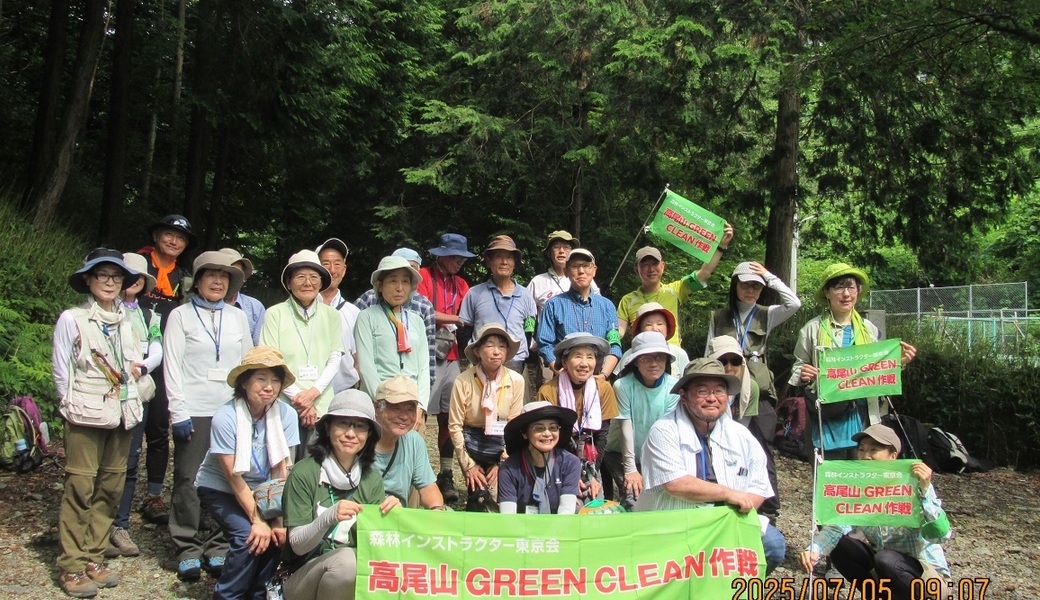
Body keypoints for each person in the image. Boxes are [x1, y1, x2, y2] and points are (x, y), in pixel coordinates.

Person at [52, 248, 145, 598]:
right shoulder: (72, 318)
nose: (109, 282)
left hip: (122, 415)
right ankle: (72, 565)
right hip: (85, 415)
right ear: (89, 280)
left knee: (110, 487)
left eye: (116, 276)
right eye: (102, 275)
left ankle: (94, 555)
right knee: (80, 487)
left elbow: (134, 364)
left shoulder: (127, 320)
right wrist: (69, 406)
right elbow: (62, 369)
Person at [636, 358, 785, 574]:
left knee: (773, 546)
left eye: (719, 391)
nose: (712, 398)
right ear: (684, 396)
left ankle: (733, 587)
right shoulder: (663, 430)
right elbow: (676, 484)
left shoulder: (742, 435)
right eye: (702, 391)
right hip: (674, 522)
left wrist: (741, 506)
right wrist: (729, 494)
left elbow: (759, 487)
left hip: (727, 520)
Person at [164, 251, 254, 581]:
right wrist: (178, 411)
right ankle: (186, 546)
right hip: (194, 408)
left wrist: (248, 407)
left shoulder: (237, 317)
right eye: (211, 275)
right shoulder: (180, 316)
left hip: (230, 410)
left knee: (229, 476)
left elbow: (247, 363)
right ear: (198, 280)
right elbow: (171, 365)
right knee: (188, 477)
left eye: (224, 276)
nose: (217, 281)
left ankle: (219, 544)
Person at [195, 346, 300, 599]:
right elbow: (234, 477)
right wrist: (258, 520)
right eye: (261, 379)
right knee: (248, 537)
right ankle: (228, 595)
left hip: (265, 488)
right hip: (222, 487)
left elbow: (280, 470)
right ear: (244, 382)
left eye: (275, 381)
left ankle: (258, 594)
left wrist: (276, 522)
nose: (269, 387)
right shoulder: (225, 417)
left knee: (276, 537)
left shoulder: (286, 415)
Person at [800, 424, 952, 598]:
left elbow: (940, 535)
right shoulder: (860, 489)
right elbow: (837, 526)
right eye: (862, 449)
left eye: (874, 450)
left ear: (893, 456)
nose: (866, 456)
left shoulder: (914, 483)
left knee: (886, 559)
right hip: (886, 570)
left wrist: (925, 490)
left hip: (928, 578)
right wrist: (814, 549)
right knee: (841, 546)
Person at [788, 263, 917, 459]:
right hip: (828, 416)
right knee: (831, 472)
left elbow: (878, 368)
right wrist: (804, 372)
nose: (846, 294)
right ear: (827, 292)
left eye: (851, 287)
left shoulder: (869, 329)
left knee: (863, 470)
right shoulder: (812, 329)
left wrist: (899, 362)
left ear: (858, 291)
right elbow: (798, 366)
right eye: (839, 287)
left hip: (864, 415)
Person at [282, 390, 401, 600]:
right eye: (343, 423)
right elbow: (298, 545)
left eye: (360, 426)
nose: (351, 434)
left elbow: (374, 545)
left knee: (353, 563)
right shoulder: (304, 472)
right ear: (328, 427)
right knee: (347, 562)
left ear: (369, 435)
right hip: (301, 576)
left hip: (352, 577)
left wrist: (392, 520)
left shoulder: (371, 479)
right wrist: (328, 517)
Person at [137, 214, 195, 525]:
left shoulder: (184, 279)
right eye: (168, 234)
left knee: (159, 428)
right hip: (131, 356)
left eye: (180, 238)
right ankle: (112, 496)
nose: (174, 241)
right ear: (156, 236)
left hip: (165, 361)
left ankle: (153, 495)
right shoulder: (137, 266)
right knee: (125, 428)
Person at [260, 250, 344, 459]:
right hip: (284, 403)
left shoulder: (332, 315)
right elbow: (271, 362)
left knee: (315, 467)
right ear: (289, 282)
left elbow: (335, 358)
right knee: (283, 465)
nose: (308, 283)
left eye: (314, 277)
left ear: (321, 282)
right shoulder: (274, 314)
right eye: (300, 277)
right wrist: (300, 400)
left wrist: (313, 394)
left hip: (322, 404)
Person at [108, 253, 164, 558]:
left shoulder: (148, 315)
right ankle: (93, 526)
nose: (133, 281)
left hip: (137, 393)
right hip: (104, 394)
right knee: (102, 461)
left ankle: (120, 524)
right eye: (128, 275)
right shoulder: (104, 309)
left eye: (139, 277)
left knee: (130, 460)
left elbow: (156, 348)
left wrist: (141, 367)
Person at [416, 233, 474, 503]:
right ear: (441, 255)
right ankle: (417, 475)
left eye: (463, 257)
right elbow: (423, 310)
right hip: (426, 353)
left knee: (450, 417)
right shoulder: (424, 277)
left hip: (451, 355)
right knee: (419, 415)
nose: (460, 261)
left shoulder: (461, 284)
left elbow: (469, 316)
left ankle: (446, 473)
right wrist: (456, 318)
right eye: (455, 257)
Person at [448, 323, 525, 511]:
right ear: (477, 351)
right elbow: (455, 425)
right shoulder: (463, 381)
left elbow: (515, 425)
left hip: (502, 444)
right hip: (471, 444)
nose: (496, 352)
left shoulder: (516, 380)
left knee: (502, 497)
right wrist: (468, 465)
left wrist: (503, 462)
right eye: (490, 345)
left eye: (502, 346)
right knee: (478, 498)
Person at [616, 226, 733, 343]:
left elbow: (705, 273)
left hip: (673, 353)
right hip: (643, 352)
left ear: (663, 266)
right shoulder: (627, 300)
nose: (651, 269)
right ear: (636, 270)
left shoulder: (676, 289)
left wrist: (721, 246)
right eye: (645, 265)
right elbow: (618, 332)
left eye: (655, 263)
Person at [707, 334, 780, 519]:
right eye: (722, 361)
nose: (729, 367)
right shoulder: (699, 389)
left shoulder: (751, 388)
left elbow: (742, 429)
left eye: (735, 361)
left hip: (734, 433)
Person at [537, 332, 619, 496]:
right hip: (556, 463)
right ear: (565, 362)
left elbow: (602, 436)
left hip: (590, 461)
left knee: (595, 502)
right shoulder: (548, 391)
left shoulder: (603, 389)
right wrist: (570, 474)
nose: (584, 363)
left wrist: (593, 474)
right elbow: (546, 441)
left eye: (590, 357)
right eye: (578, 356)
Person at [602, 331, 678, 507]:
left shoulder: (673, 387)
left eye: (659, 357)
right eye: (646, 358)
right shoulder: (623, 385)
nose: (654, 363)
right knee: (634, 496)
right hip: (620, 452)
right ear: (636, 361)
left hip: (655, 451)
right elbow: (626, 428)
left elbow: (665, 430)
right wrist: (630, 469)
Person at [706, 261, 801, 400]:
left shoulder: (768, 314)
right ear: (735, 286)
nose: (750, 291)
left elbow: (794, 303)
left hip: (756, 384)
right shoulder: (718, 316)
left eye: (756, 286)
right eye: (745, 285)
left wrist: (768, 277)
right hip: (724, 381)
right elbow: (708, 353)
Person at [525, 230, 600, 402]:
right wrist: (531, 339)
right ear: (549, 252)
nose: (561, 251)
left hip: (584, 355)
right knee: (550, 394)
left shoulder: (586, 278)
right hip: (551, 352)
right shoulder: (538, 281)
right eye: (556, 247)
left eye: (566, 247)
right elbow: (528, 314)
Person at [354, 255, 431, 421]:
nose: (400, 288)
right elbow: (366, 366)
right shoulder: (366, 317)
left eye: (405, 281)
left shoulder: (417, 321)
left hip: (411, 403)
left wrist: (421, 406)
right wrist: (382, 403)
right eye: (393, 281)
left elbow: (424, 367)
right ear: (380, 285)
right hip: (379, 403)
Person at [535, 248, 623, 374]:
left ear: (594, 270)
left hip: (598, 376)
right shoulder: (553, 305)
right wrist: (563, 374)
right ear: (566, 271)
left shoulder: (607, 306)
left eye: (586, 266)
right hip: (562, 375)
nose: (581, 271)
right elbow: (545, 344)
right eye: (575, 266)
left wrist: (604, 375)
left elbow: (614, 344)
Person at [459, 235, 537, 374]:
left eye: (509, 257)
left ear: (515, 263)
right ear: (489, 261)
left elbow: (529, 328)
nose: (504, 262)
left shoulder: (526, 295)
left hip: (516, 362)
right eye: (499, 256)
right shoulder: (474, 293)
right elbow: (466, 329)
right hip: (483, 362)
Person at [372, 375, 445, 508]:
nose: (404, 416)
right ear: (377, 408)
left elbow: (428, 487)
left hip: (398, 514)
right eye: (396, 408)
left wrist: (437, 509)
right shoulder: (359, 439)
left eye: (410, 409)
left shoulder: (413, 440)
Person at [499, 402, 582, 515]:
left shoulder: (570, 463)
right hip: (521, 525)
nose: (547, 433)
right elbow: (508, 515)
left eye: (553, 427)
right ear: (525, 433)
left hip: (560, 523)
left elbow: (566, 511)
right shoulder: (508, 468)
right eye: (539, 428)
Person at [613, 302, 689, 377]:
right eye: (648, 325)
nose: (655, 329)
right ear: (640, 330)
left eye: (659, 324)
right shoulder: (629, 355)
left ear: (667, 328)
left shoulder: (679, 354)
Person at [219, 248, 266, 346]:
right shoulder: (200, 308)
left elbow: (259, 346)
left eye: (238, 274)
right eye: (226, 274)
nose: (233, 278)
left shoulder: (255, 307)